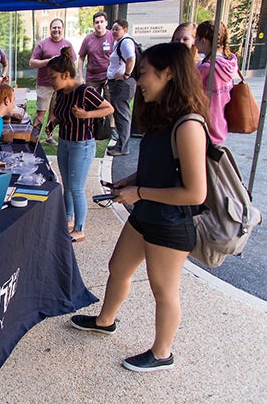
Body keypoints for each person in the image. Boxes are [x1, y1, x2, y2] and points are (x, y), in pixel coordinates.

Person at [70, 42, 209, 372]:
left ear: (168, 74)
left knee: (163, 289)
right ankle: (105, 321)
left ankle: (162, 353)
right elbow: (160, 167)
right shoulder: (164, 116)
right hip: (146, 213)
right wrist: (128, 183)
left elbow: (195, 193)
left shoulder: (189, 124)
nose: (138, 81)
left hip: (171, 221)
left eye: (143, 73)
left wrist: (140, 192)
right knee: (118, 268)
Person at [46, 47, 113, 242]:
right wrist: (53, 123)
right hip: (65, 142)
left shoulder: (85, 91)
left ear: (66, 75)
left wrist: (87, 114)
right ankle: (68, 219)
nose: (51, 81)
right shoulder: (61, 93)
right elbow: (61, 115)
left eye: (53, 77)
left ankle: (79, 228)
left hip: (81, 145)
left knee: (76, 187)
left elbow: (108, 108)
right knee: (66, 185)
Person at [29, 18, 76, 145]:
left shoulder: (67, 45)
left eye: (59, 27)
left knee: (55, 112)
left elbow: (73, 63)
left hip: (61, 86)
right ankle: (34, 138)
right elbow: (32, 62)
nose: (56, 30)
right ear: (50, 29)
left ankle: (49, 136)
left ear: (63, 29)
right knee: (41, 112)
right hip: (44, 84)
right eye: (54, 27)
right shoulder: (43, 44)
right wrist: (49, 61)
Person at [195, 20, 237, 144]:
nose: (194, 43)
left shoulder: (206, 68)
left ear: (203, 40)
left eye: (196, 38)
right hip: (220, 125)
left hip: (205, 127)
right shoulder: (230, 64)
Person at [77, 12, 116, 138]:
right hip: (92, 77)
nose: (99, 24)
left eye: (101, 22)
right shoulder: (88, 39)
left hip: (108, 77)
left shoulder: (112, 36)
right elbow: (81, 57)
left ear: (106, 23)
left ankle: (112, 127)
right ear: (94, 24)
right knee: (91, 102)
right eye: (96, 22)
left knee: (110, 102)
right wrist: (81, 76)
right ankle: (93, 127)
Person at [106, 19, 137, 156]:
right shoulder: (119, 42)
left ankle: (122, 147)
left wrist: (126, 75)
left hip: (122, 85)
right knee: (120, 115)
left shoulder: (125, 42)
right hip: (117, 84)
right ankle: (120, 144)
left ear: (125, 29)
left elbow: (131, 58)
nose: (114, 31)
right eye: (112, 29)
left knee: (122, 115)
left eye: (117, 29)